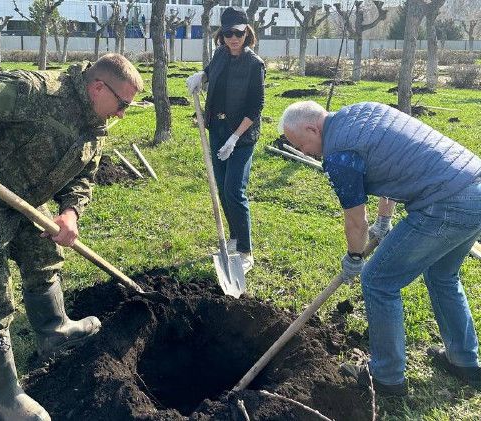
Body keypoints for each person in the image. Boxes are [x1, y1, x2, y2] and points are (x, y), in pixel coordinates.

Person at [0, 54, 143, 420]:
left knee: (44, 256)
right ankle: (3, 396)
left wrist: (70, 212)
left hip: (27, 199)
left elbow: (83, 176)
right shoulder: (37, 91)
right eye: (122, 104)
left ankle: (54, 330)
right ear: (98, 88)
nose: (123, 113)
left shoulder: (95, 125)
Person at [278, 101, 481, 397]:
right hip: (473, 187)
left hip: (445, 204)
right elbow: (394, 160)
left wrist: (354, 257)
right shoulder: (364, 113)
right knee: (442, 275)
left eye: (301, 145)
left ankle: (386, 377)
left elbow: (356, 222)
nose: (305, 153)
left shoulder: (338, 155)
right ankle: (464, 361)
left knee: (378, 280)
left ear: (312, 128)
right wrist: (385, 219)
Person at [186, 6, 265, 273]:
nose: (233, 38)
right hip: (217, 130)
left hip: (241, 137)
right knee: (221, 187)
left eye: (239, 33)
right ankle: (233, 238)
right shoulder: (220, 54)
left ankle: (245, 250)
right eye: (228, 33)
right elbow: (210, 71)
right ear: (222, 35)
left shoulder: (255, 65)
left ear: (247, 33)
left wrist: (234, 137)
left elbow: (255, 108)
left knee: (234, 190)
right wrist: (202, 76)